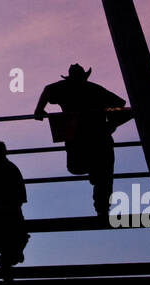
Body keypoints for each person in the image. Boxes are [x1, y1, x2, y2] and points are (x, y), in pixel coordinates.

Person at [34, 63, 127, 216]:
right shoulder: (94, 89)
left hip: (77, 136)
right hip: (99, 136)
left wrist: (39, 109)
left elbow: (47, 90)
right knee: (103, 174)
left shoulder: (64, 88)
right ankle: (102, 208)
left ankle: (101, 202)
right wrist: (112, 123)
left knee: (79, 167)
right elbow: (120, 104)